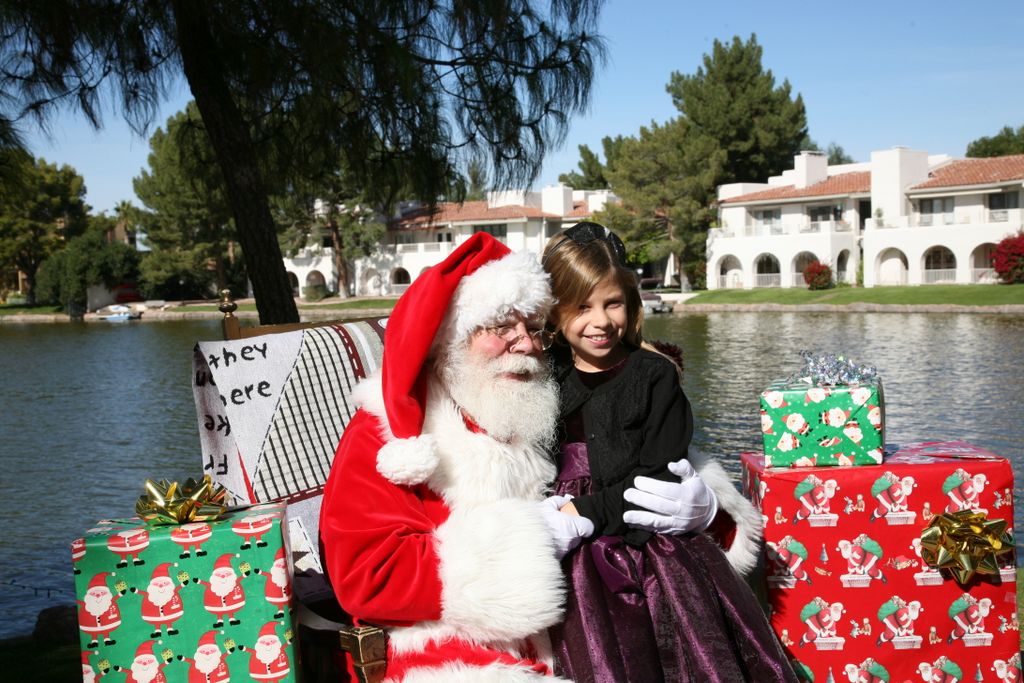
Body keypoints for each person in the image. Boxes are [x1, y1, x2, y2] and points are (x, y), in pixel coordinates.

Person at [319, 233, 728, 682]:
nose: (526, 344)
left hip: (580, 632)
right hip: (448, 651)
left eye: (532, 327)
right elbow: (367, 575)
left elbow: (636, 467)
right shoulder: (389, 434)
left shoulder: (532, 404)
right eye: (500, 328)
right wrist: (528, 539)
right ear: (451, 339)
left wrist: (711, 510)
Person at [541, 222, 797, 682]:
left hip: (640, 529)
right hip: (554, 527)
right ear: (555, 312)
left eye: (612, 303)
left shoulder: (653, 376)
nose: (600, 321)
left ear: (631, 303)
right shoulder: (545, 378)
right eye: (582, 307)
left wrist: (582, 511)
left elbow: (659, 471)